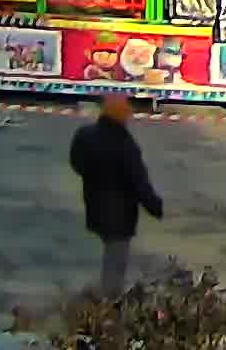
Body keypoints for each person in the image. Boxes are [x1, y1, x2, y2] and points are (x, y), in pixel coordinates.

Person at [68, 89, 165, 295]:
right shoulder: (125, 144)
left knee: (109, 249)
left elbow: (76, 162)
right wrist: (155, 207)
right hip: (120, 213)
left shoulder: (85, 135)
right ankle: (110, 301)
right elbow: (139, 181)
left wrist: (91, 176)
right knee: (116, 259)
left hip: (94, 203)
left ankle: (105, 295)